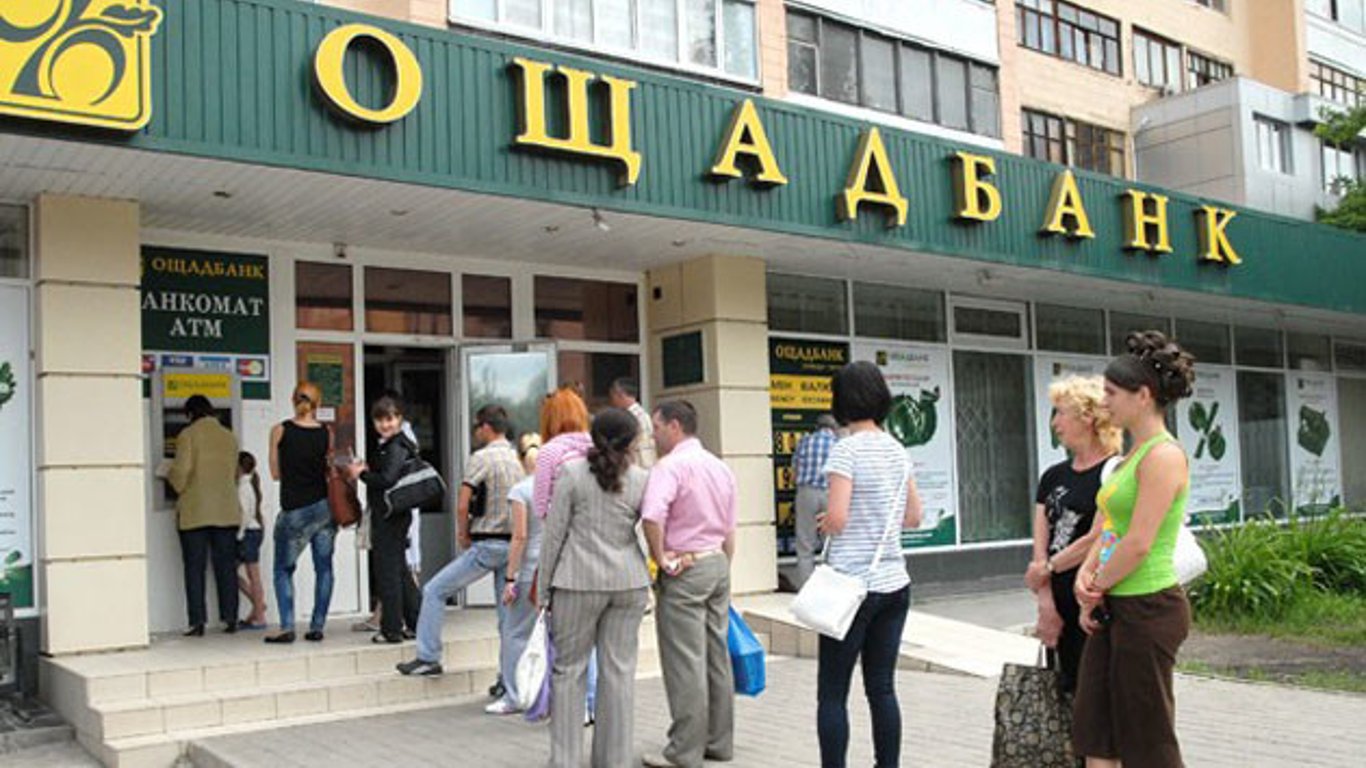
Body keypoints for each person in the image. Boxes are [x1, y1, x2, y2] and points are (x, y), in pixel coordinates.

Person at [1073, 331, 1195, 768]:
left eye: (1111, 392)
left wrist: (1094, 588)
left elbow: (1139, 542)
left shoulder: (1163, 456)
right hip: (1115, 605)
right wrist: (1088, 572)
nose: (1103, 402)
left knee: (1147, 743)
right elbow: (1111, 527)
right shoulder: (1130, 456)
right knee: (1096, 734)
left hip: (1149, 607)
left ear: (1142, 396)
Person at [814, 361, 921, 768]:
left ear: (841, 401)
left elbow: (838, 519)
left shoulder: (846, 450)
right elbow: (914, 517)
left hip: (850, 587)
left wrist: (826, 521)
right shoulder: (898, 449)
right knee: (882, 688)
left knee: (833, 692)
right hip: (894, 583)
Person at [538, 410, 650, 766]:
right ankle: (614, 760)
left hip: (576, 581)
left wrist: (542, 589)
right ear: (632, 441)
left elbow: (554, 534)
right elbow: (649, 531)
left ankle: (565, 760)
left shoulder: (571, 473)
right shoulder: (642, 479)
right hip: (628, 582)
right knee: (619, 673)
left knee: (569, 671)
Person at [641, 401, 738, 768]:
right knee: (716, 656)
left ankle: (684, 751)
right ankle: (719, 741)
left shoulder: (669, 467)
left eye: (657, 427)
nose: (653, 435)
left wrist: (660, 557)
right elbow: (730, 527)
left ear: (675, 426)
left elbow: (652, 516)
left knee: (685, 661)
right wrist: (723, 564)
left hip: (685, 567)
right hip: (716, 562)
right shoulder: (720, 467)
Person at [398, 404, 523, 676]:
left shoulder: (481, 458)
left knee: (434, 590)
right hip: (513, 546)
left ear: (486, 427)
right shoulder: (518, 459)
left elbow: (464, 502)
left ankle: (428, 656)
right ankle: (508, 678)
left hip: (486, 543)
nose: (476, 432)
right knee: (507, 617)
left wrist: (462, 533)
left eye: (477, 426)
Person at [1024, 376, 1122, 694]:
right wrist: (1045, 603)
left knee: (1094, 691)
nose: (1055, 423)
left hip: (1094, 598)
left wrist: (1049, 568)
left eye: (1061, 413)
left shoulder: (1115, 472)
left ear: (1088, 417)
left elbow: (1098, 535)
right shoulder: (1053, 476)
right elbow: (1041, 543)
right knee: (1062, 690)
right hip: (1057, 599)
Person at [347, 396, 423, 644]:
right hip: (396, 515)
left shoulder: (396, 446)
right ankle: (417, 623)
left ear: (399, 419)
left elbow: (388, 479)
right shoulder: (397, 444)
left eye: (389, 419)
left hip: (390, 517)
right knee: (400, 571)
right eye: (379, 420)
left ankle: (391, 629)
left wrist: (362, 474)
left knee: (388, 573)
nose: (384, 424)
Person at [266, 382, 336, 644]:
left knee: (283, 570)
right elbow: (329, 469)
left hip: (294, 509)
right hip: (324, 508)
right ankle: (317, 626)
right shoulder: (326, 432)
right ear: (318, 403)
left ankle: (287, 627)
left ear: (292, 399)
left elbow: (275, 473)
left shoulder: (280, 430)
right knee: (324, 569)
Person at [166, 395, 241, 637]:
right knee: (226, 567)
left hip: (195, 511)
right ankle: (230, 618)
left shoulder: (188, 435)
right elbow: (235, 474)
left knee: (195, 568)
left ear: (190, 414)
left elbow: (181, 472)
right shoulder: (229, 436)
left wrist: (169, 475)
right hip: (226, 510)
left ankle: (197, 622)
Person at [485, 433, 543, 715]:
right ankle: (542, 693)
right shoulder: (556, 488)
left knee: (514, 633)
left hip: (529, 570)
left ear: (522, 460)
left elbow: (519, 537)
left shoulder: (521, 491)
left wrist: (510, 577)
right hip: (553, 569)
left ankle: (515, 695)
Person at [792, 414, 839, 589]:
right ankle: (831, 586)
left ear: (816, 427)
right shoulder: (839, 444)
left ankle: (807, 588)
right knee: (832, 543)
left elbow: (795, 473)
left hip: (806, 493)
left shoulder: (804, 441)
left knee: (805, 543)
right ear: (833, 428)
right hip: (831, 494)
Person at [236, 451, 268, 630]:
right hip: (255, 531)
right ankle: (258, 607)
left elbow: (245, 512)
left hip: (248, 532)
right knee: (252, 574)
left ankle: (259, 613)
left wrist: (239, 533)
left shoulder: (243, 486)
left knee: (252, 575)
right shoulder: (251, 484)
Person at [609, 377, 656, 469]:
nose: (612, 401)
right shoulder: (644, 415)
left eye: (613, 396)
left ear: (620, 395)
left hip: (637, 465)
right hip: (649, 464)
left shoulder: (628, 418)